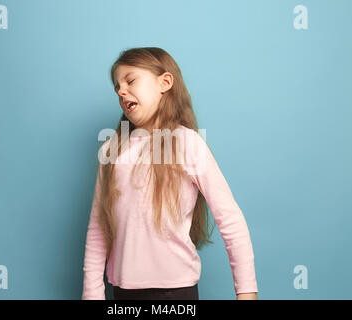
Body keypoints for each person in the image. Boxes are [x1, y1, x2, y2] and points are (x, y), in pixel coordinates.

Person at [81, 47, 258, 300]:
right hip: (123, 293)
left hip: (176, 293)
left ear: (165, 82)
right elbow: (99, 228)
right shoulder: (112, 149)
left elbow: (230, 219)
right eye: (117, 87)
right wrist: (91, 294)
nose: (121, 91)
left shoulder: (188, 143)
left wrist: (247, 291)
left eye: (130, 80)